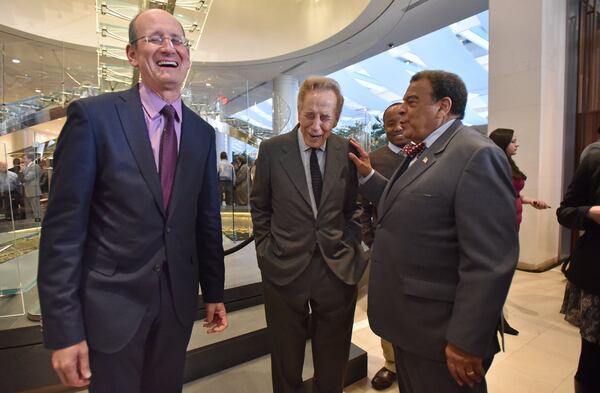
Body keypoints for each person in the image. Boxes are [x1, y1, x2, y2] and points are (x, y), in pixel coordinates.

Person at [37, 9, 227, 393]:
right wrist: (64, 329)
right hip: (111, 305)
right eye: (155, 38)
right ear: (131, 54)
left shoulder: (203, 134)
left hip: (176, 305)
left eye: (177, 40)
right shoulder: (93, 118)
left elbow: (205, 220)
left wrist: (214, 292)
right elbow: (63, 232)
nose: (169, 47)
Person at [349, 70, 518, 393]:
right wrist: (369, 177)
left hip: (442, 335)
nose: (403, 111)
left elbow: (490, 261)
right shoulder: (427, 151)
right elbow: (411, 202)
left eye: (412, 102)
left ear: (443, 107)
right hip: (414, 327)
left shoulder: (475, 155)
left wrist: (466, 341)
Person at [251, 76, 366, 393]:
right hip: (284, 267)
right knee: (285, 356)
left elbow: (353, 206)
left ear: (337, 117)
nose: (316, 126)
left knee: (333, 356)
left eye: (325, 117)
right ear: (299, 110)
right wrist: (265, 251)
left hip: (336, 268)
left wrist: (353, 247)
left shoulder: (347, 150)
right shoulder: (272, 150)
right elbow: (260, 206)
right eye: (309, 115)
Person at [358, 102, 408, 390]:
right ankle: (391, 364)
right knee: (385, 307)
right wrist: (371, 239)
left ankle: (413, 359)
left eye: (402, 119)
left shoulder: (428, 154)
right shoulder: (372, 159)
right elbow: (361, 205)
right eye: (390, 122)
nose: (397, 127)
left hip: (420, 250)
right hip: (383, 249)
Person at [489, 128, 550, 336]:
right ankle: (494, 318)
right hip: (500, 226)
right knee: (498, 274)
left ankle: (498, 317)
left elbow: (514, 193)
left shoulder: (508, 162)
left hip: (513, 223)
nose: (517, 145)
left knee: (504, 274)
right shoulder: (493, 164)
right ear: (502, 143)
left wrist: (531, 201)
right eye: (513, 141)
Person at [557, 149, 600, 393]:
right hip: (596, 275)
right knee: (592, 362)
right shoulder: (595, 158)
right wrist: (591, 213)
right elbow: (565, 212)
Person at [22, 153, 41, 222]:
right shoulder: (28, 167)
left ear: (30, 159)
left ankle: (39, 223)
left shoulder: (35, 166)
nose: (23, 160)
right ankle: (36, 222)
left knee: (36, 209)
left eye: (24, 158)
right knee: (33, 209)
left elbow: (28, 178)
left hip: (34, 191)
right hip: (29, 191)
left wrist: (23, 171)